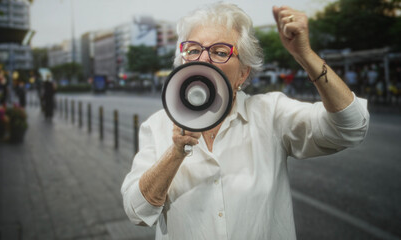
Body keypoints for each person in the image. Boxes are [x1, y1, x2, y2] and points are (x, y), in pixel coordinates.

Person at [121, 3, 370, 239]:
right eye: (194, 49)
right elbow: (137, 212)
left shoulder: (270, 113)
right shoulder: (157, 125)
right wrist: (176, 152)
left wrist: (305, 55)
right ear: (182, 60)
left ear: (243, 73)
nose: (204, 59)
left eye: (219, 51)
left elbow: (351, 127)